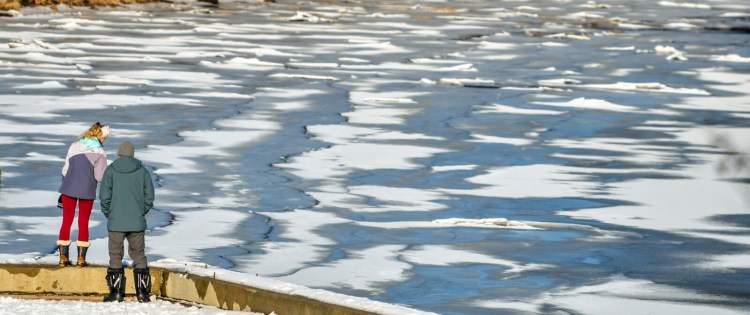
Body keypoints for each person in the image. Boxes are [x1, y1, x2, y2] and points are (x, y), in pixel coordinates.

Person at [99, 141, 155, 303]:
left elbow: (104, 196)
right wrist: (140, 211)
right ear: (132, 154)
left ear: (119, 154)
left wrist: (110, 212)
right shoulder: (143, 171)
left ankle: (116, 294)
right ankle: (142, 294)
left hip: (116, 221)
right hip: (137, 221)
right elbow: (149, 196)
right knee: (139, 255)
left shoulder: (111, 171)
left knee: (115, 255)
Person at [57, 122, 110, 267]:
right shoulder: (100, 152)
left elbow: (65, 169)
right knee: (83, 222)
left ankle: (63, 257)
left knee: (66, 221)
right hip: (87, 189)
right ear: (101, 136)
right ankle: (81, 259)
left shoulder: (74, 146)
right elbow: (100, 177)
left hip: (68, 187)